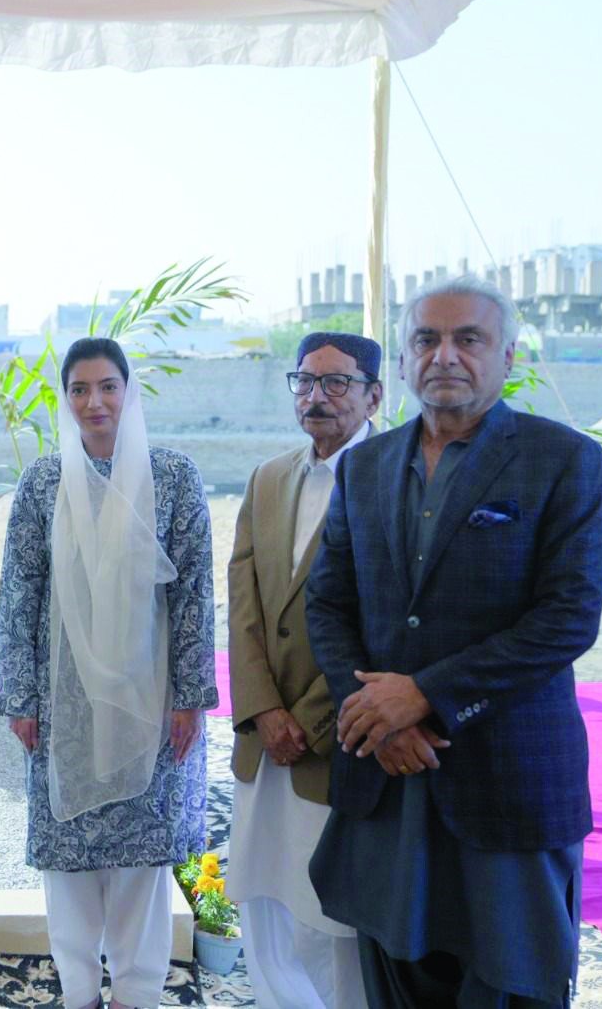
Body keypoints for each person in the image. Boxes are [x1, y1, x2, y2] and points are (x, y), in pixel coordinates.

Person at [306, 276, 602, 1007]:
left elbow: (567, 618)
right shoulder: (364, 467)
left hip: (505, 779)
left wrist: (426, 699)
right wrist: (374, 713)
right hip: (389, 777)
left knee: (511, 983)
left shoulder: (562, 460)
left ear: (507, 357)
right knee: (396, 979)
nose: (446, 355)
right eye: (426, 339)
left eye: (467, 339)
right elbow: (328, 600)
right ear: (405, 363)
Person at [0, 337, 216, 1009]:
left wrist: (188, 697)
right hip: (65, 699)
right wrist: (21, 696)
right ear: (66, 398)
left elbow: (195, 593)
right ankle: (81, 991)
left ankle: (137, 994)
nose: (95, 402)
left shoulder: (173, 477)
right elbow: (18, 589)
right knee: (68, 860)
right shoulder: (44, 481)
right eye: (80, 389)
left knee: (142, 861)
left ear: (129, 392)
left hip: (150, 702)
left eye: (108, 386)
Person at [227, 331, 381, 1008]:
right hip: (266, 740)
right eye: (305, 381)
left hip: (336, 739)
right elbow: (244, 604)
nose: (317, 397)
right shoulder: (268, 478)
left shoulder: (389, 481)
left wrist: (311, 721)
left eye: (337, 382)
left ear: (375, 393)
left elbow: (384, 624)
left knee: (332, 921)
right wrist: (264, 709)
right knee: (263, 900)